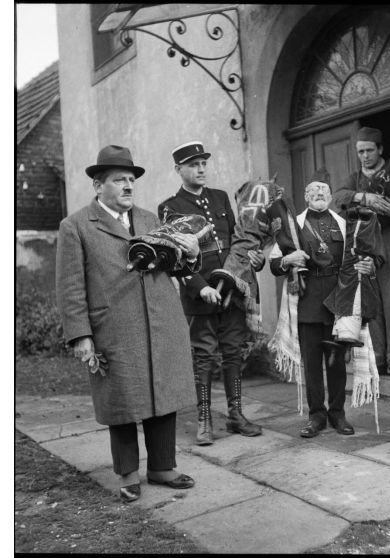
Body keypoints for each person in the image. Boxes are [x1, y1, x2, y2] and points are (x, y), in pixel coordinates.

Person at [56, 145, 200, 503]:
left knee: (162, 395)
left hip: (162, 321)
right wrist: (80, 335)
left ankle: (163, 467)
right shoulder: (76, 227)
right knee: (122, 400)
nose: (128, 186)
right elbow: (70, 286)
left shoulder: (151, 219)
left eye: (131, 180)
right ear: (97, 185)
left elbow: (175, 265)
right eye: (119, 180)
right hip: (115, 328)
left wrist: (192, 254)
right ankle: (128, 473)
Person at [158, 141, 264, 446]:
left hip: (230, 290)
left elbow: (236, 241)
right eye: (193, 165)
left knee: (233, 352)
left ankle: (235, 415)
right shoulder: (171, 207)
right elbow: (175, 253)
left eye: (203, 163)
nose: (201, 169)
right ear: (179, 170)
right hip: (200, 296)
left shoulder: (219, 197)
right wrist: (199, 286)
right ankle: (204, 419)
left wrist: (252, 260)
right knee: (204, 357)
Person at [269, 169, 375, 438]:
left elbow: (361, 257)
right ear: (305, 196)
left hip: (338, 301)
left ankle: (338, 414)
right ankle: (316, 416)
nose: (318, 194)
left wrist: (367, 264)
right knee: (312, 363)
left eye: (324, 191)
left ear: (331, 196)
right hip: (306, 301)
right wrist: (287, 261)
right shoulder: (293, 224)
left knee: (336, 362)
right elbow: (274, 263)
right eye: (313, 191)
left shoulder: (344, 224)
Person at [333, 127, 390, 375]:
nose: (364, 156)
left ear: (380, 150)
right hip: (365, 243)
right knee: (371, 300)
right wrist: (363, 197)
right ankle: (378, 358)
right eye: (360, 151)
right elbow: (338, 197)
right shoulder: (355, 178)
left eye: (368, 150)